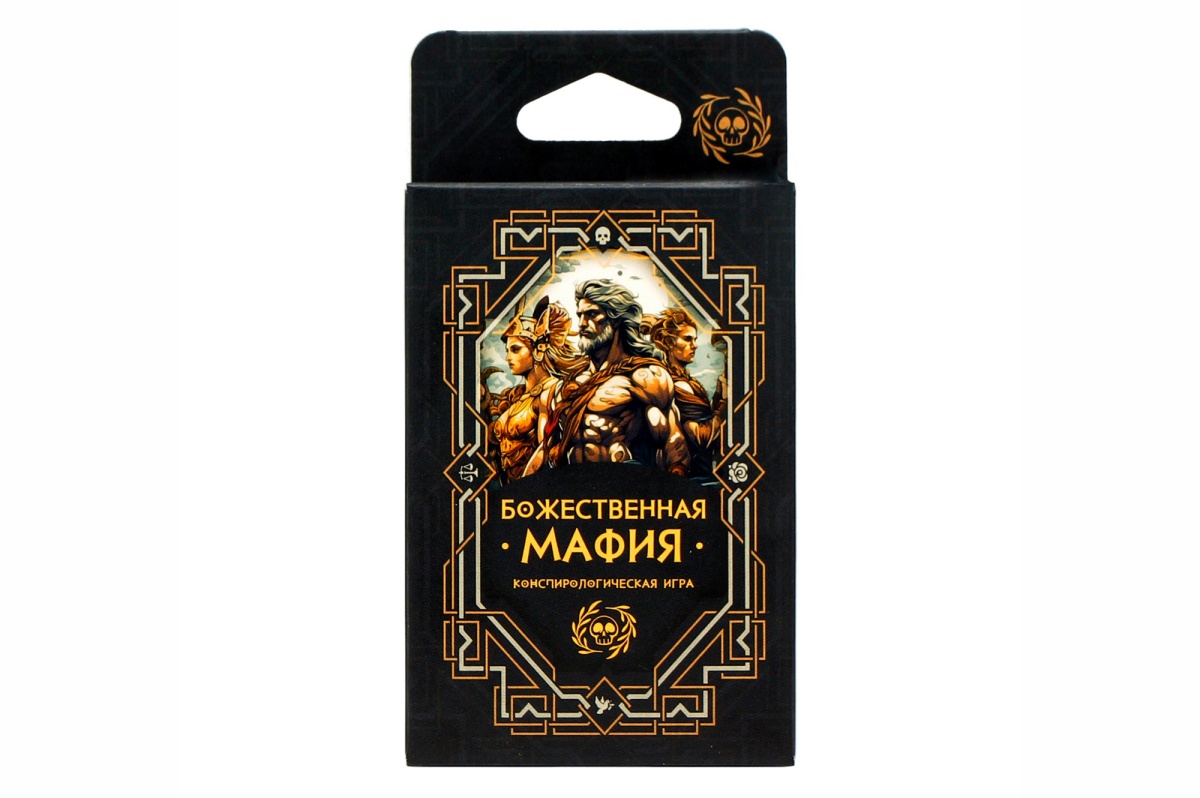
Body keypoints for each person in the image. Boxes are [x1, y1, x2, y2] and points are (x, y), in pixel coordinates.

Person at [547, 279, 688, 475]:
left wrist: (675, 482)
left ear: (615, 319)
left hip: (624, 485)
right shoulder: (572, 382)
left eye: (592, 314)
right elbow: (549, 447)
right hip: (573, 486)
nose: (582, 324)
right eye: (580, 315)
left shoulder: (644, 377)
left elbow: (672, 440)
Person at [483, 297, 587, 484]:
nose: (508, 358)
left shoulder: (551, 392)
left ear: (538, 350)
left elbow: (544, 452)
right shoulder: (518, 396)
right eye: (507, 350)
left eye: (515, 349)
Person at [643, 307, 726, 479]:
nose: (694, 345)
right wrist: (725, 404)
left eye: (695, 339)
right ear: (668, 343)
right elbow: (701, 437)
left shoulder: (686, 381)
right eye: (687, 339)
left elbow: (706, 417)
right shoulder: (677, 385)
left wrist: (718, 395)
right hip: (693, 475)